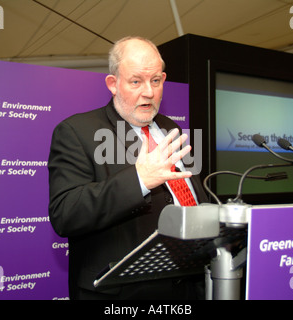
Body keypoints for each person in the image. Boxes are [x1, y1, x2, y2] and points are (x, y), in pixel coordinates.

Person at [48, 36, 208, 300]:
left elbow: (188, 195)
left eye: (155, 81)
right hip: (123, 293)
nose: (148, 92)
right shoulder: (77, 132)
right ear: (114, 83)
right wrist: (139, 179)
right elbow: (65, 213)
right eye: (136, 81)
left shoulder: (171, 128)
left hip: (187, 284)